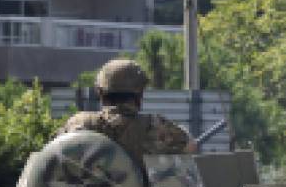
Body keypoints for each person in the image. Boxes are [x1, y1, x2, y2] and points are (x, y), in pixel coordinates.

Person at [58, 59, 194, 166]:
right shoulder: (154, 126)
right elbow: (190, 147)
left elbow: (51, 153)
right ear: (140, 94)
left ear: (100, 93)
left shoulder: (77, 124)